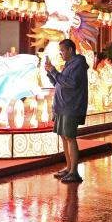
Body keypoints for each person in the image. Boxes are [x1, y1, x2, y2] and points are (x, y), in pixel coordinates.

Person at [46, 39, 89, 184]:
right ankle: (69, 168)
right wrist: (50, 73)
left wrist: (54, 71)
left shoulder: (78, 63)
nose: (61, 53)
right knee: (64, 137)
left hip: (71, 106)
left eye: (62, 50)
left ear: (70, 50)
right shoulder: (69, 64)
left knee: (70, 137)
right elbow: (59, 83)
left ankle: (74, 172)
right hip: (62, 106)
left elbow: (71, 83)